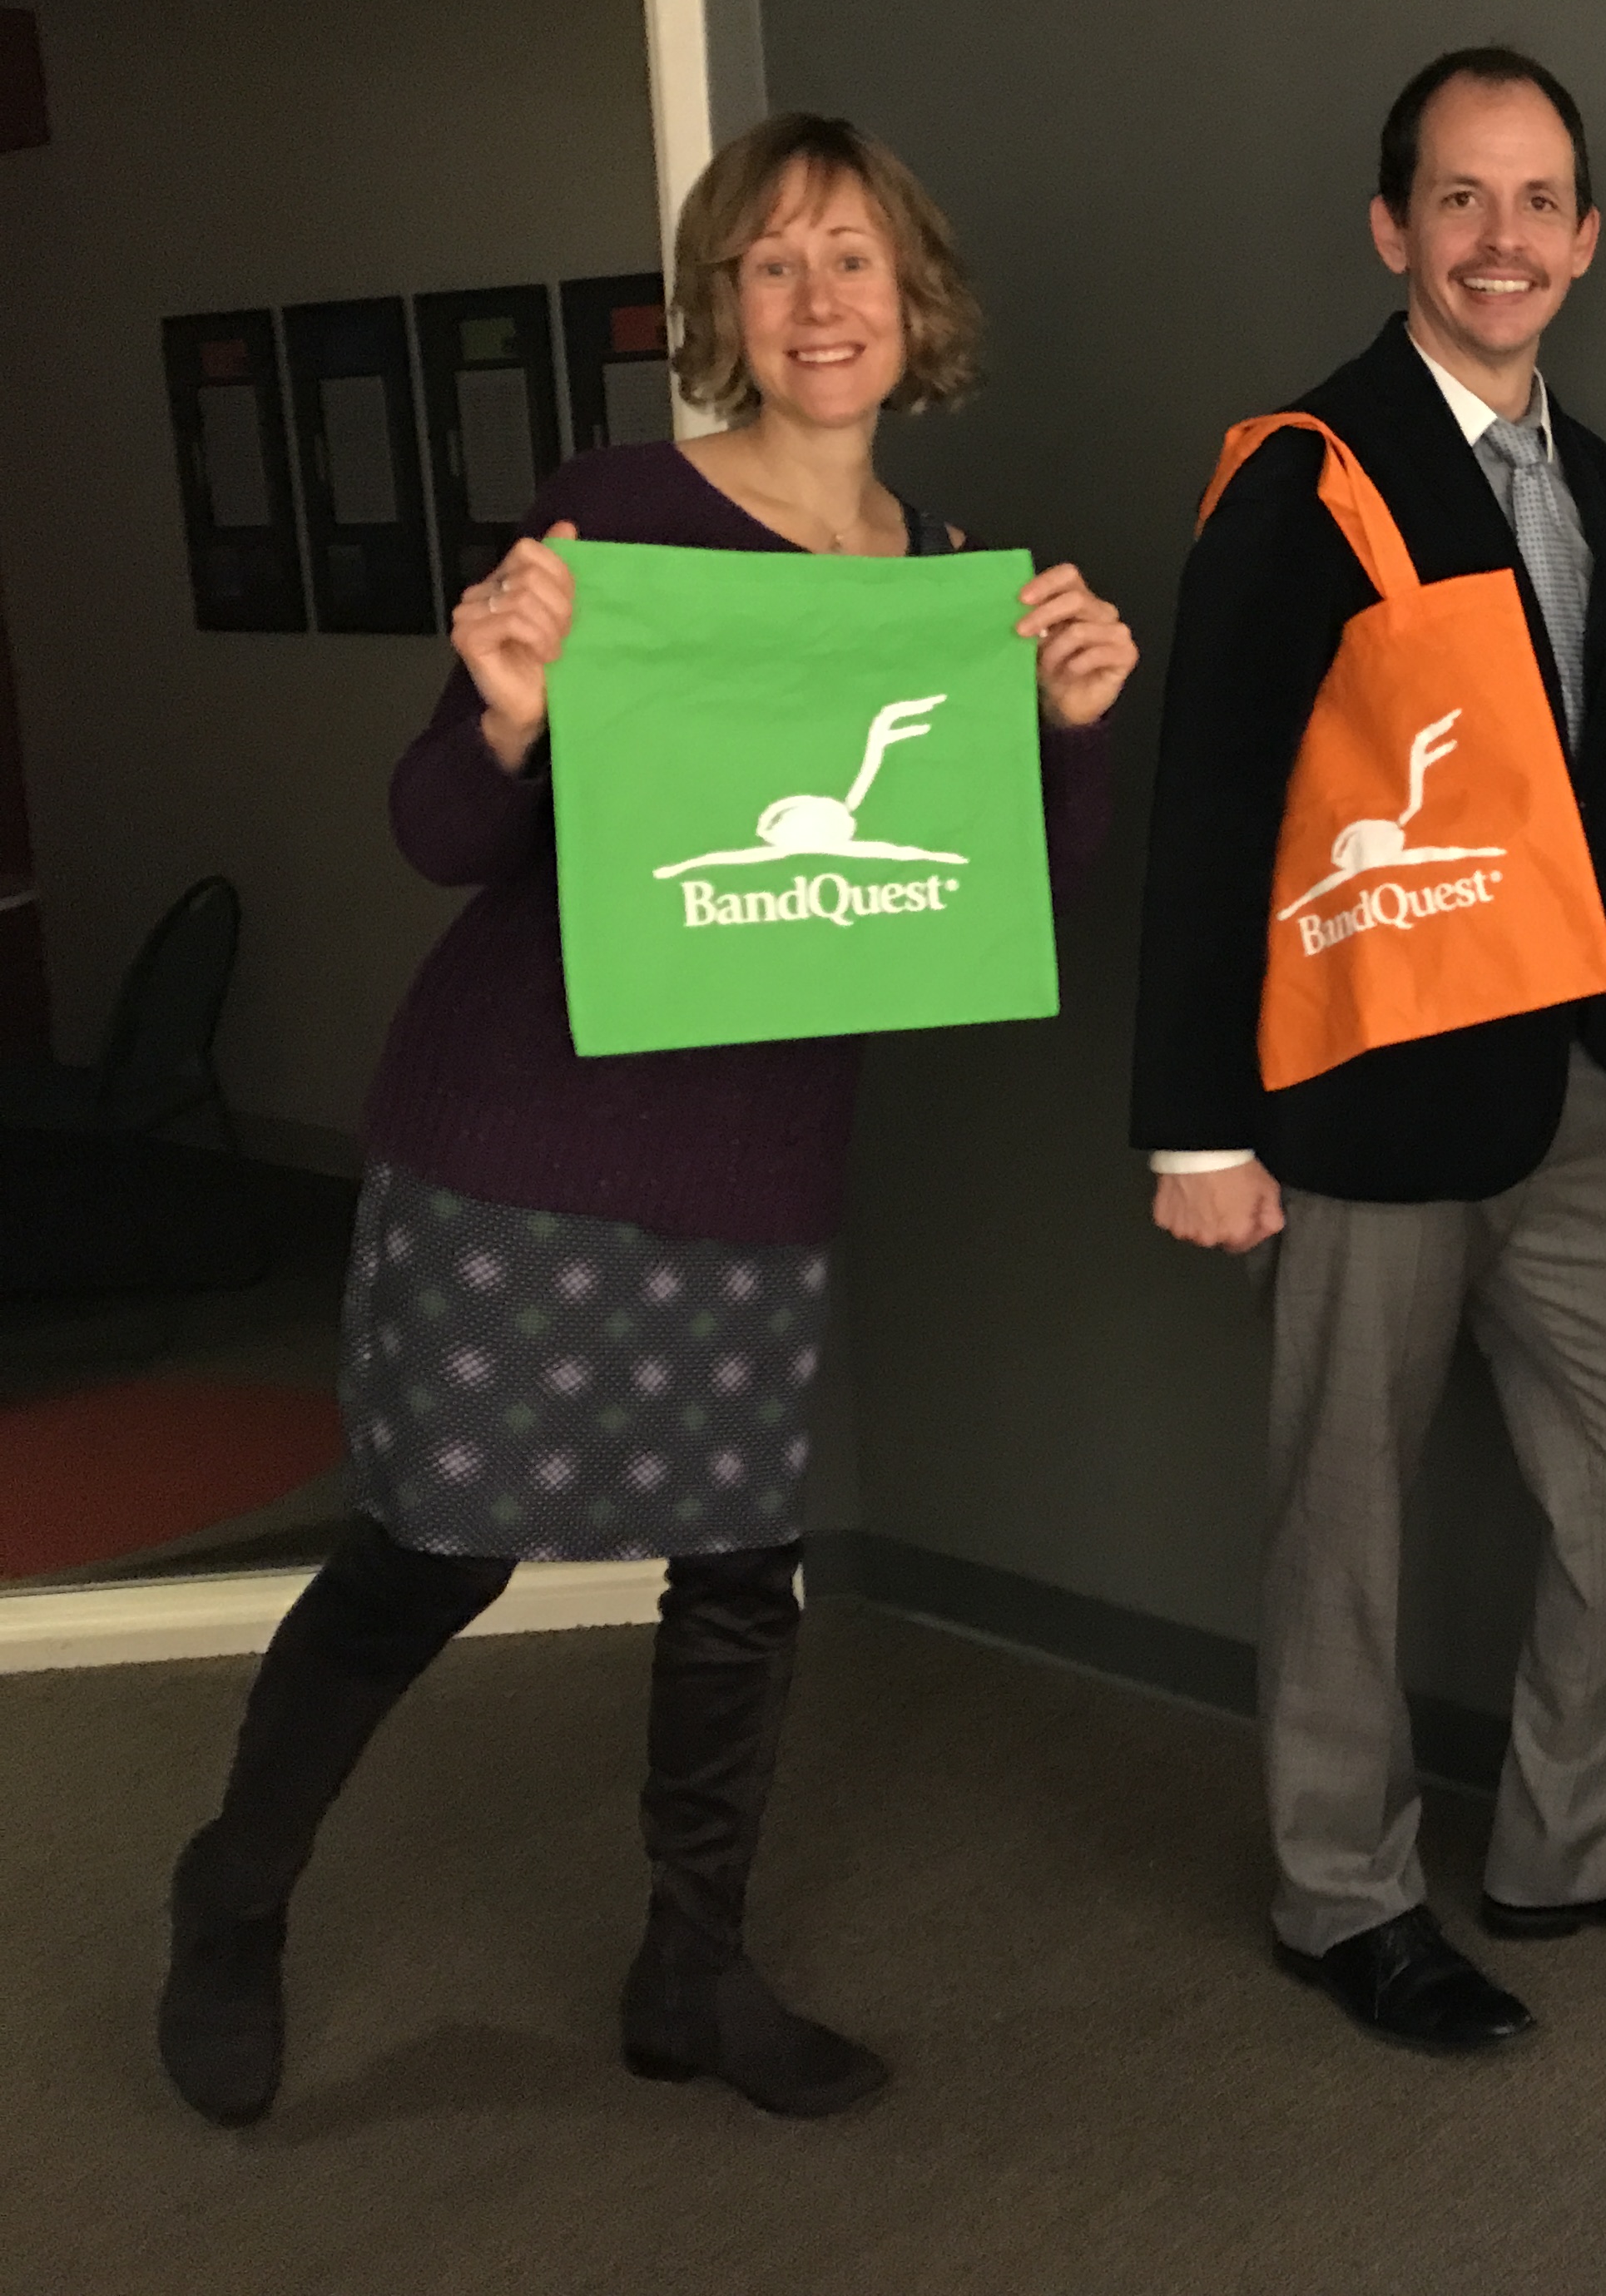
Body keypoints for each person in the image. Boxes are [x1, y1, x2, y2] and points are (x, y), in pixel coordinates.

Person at [153, 113, 1137, 2128]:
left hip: (759, 1152)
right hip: (522, 1130)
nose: (818, 299)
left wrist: (1066, 732)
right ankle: (230, 1895)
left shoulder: (954, 582)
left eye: (852, 258)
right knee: (429, 1553)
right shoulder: (614, 517)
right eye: (771, 264)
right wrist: (507, 707)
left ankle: (692, 1971)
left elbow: (997, 891)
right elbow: (440, 828)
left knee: (733, 1578)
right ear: (721, 310)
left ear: (915, 300)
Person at [1133, 47, 1606, 2053]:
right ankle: (1341, 1899)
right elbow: (1214, 813)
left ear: (1584, 241)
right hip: (1362, 1090)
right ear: (1391, 227)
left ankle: (1573, 1848)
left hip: (1591, 1084)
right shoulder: (1300, 476)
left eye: (1537, 205)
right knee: (1345, 1515)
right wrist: (1193, 1133)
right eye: (1459, 199)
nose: (1499, 241)